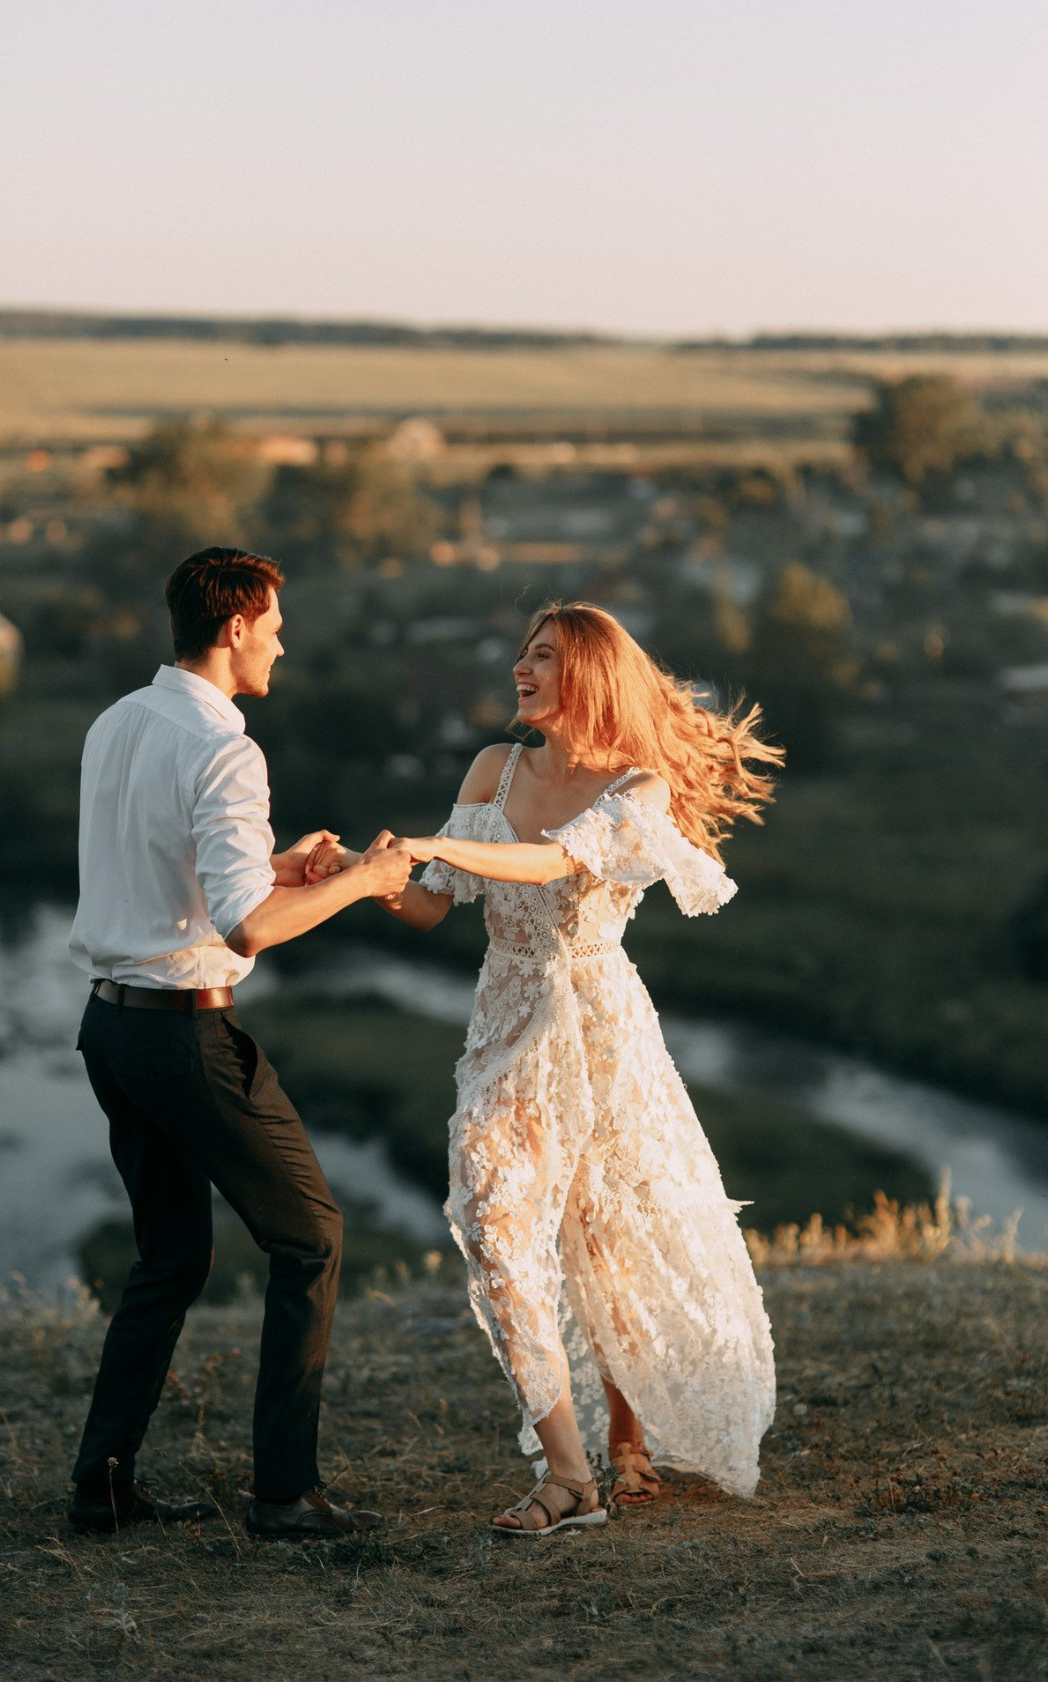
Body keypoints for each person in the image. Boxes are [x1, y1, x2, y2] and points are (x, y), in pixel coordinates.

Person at [310, 602, 781, 1535]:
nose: (521, 670)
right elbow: (435, 903)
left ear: (590, 677)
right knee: (492, 1215)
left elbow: (558, 864)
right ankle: (568, 1473)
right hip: (508, 1021)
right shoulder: (494, 767)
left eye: (545, 658)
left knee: (609, 1231)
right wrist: (363, 875)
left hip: (599, 1023)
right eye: (522, 654)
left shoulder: (636, 788)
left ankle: (628, 1441)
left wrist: (444, 841)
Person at [67, 546, 412, 1540]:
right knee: (312, 1235)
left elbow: (170, 878)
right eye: (273, 623)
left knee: (169, 1257)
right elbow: (246, 927)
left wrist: (280, 861)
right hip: (184, 1033)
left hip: (109, 1027)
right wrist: (362, 879)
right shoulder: (226, 745)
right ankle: (283, 1493)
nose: (281, 640)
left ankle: (104, 1483)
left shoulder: (117, 722)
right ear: (233, 628)